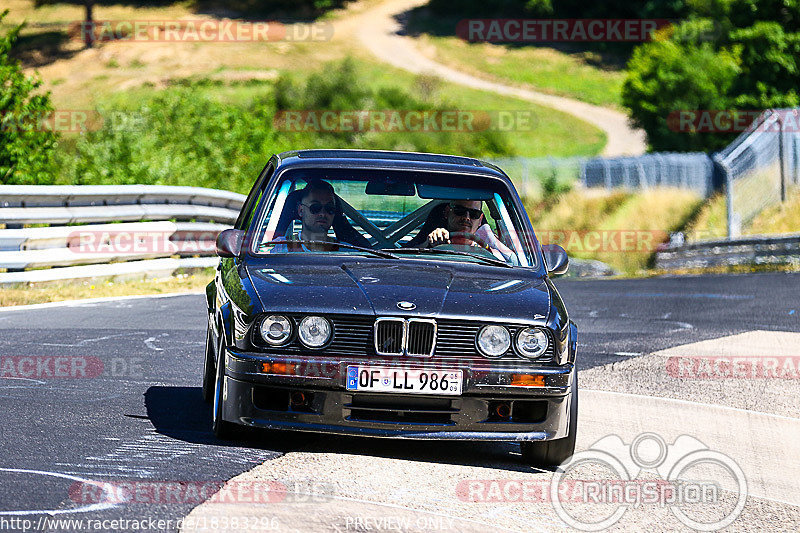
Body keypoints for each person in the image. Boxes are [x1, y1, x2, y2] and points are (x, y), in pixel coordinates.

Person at [424, 200, 518, 264]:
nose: (467, 218)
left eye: (474, 214)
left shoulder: (492, 255)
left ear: (480, 220)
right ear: (447, 212)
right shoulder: (434, 241)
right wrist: (430, 242)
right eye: (459, 210)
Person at [270, 180, 340, 252]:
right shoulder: (280, 247)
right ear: (301, 210)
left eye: (330, 208)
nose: (323, 213)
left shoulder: (346, 250)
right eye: (315, 207)